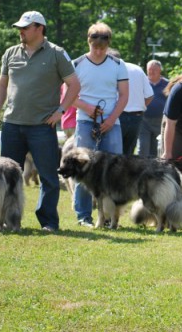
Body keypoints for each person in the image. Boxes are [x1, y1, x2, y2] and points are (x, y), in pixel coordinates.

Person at [0, 10, 81, 232]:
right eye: (19, 27)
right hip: (12, 125)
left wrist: (60, 111)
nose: (21, 31)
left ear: (39, 28)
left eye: (25, 27)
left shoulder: (57, 53)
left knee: (48, 177)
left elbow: (74, 85)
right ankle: (8, 220)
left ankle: (48, 222)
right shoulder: (10, 53)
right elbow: (1, 86)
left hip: (42, 127)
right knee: (7, 176)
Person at [71, 22, 129, 227]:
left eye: (102, 48)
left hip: (112, 123)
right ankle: (83, 216)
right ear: (88, 42)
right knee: (82, 168)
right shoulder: (76, 64)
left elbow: (124, 95)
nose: (98, 51)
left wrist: (112, 119)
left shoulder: (117, 65)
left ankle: (110, 218)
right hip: (86, 122)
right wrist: (86, 107)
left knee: (114, 171)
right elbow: (68, 95)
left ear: (108, 45)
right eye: (95, 47)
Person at [119, 61, 154, 155]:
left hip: (117, 116)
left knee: (113, 155)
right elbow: (150, 95)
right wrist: (139, 106)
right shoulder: (137, 69)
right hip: (136, 117)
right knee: (129, 155)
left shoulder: (111, 69)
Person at [138, 60, 168, 158]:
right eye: (149, 69)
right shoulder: (142, 82)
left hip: (160, 122)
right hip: (144, 121)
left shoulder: (167, 84)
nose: (152, 71)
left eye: (154, 69)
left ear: (160, 70)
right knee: (143, 148)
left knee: (157, 150)